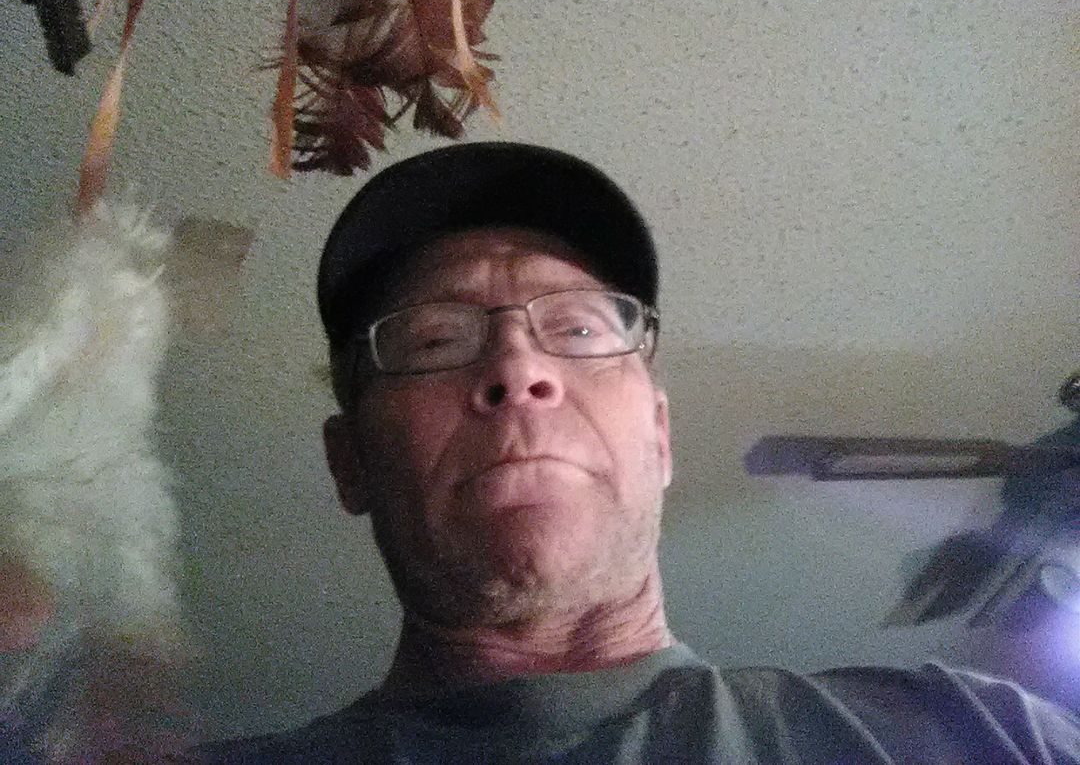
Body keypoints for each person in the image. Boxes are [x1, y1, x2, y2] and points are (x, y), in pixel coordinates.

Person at [200, 142, 1080, 763]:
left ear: (660, 435)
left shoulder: (986, 739)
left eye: (579, 329)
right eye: (435, 340)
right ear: (349, 461)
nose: (518, 369)